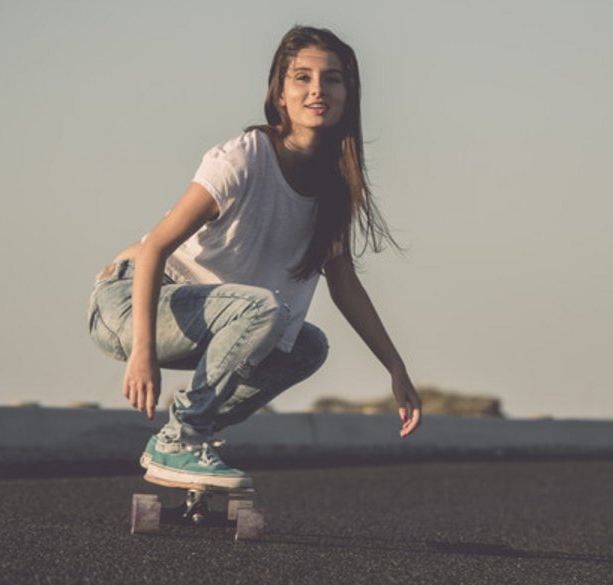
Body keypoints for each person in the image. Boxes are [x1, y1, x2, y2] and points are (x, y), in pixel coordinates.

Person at [86, 26, 422, 490]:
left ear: (350, 92)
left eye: (333, 79)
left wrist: (395, 366)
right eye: (302, 78)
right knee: (265, 307)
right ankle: (180, 441)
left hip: (218, 317)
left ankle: (184, 433)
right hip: (132, 301)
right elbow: (156, 248)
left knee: (306, 345)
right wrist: (143, 353)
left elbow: (343, 284)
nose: (317, 90)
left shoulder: (334, 186)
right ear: (280, 94)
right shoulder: (243, 158)